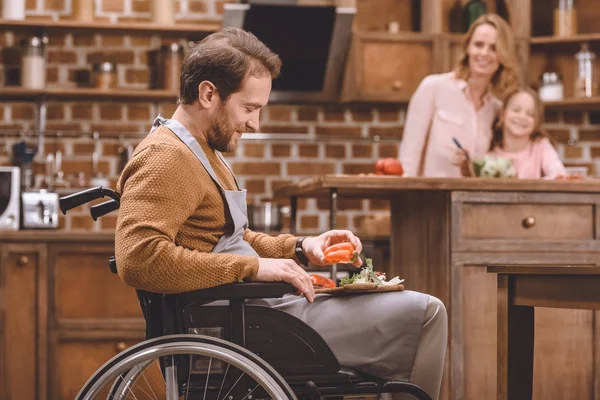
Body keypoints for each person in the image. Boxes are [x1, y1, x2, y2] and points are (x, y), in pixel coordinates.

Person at [114, 27, 448, 400]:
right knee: (426, 313)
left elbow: (228, 240)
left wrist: (302, 248)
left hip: (255, 313)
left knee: (403, 311)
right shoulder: (167, 158)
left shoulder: (200, 152)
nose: (255, 124)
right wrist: (254, 268)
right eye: (249, 108)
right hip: (246, 325)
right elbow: (139, 259)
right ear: (208, 94)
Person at [399, 13, 521, 178]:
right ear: (467, 48)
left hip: (471, 201)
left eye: (493, 48)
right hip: (429, 198)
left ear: (503, 55)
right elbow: (408, 160)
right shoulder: (433, 87)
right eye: (478, 45)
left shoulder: (496, 109)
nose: (484, 53)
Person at [453, 86, 568, 179]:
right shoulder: (489, 152)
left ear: (536, 123)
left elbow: (558, 173)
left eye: (530, 114)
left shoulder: (540, 146)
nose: (522, 117)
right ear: (502, 114)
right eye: (516, 110)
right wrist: (465, 167)